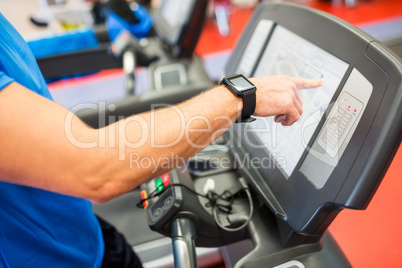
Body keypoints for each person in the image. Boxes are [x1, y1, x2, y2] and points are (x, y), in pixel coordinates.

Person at [0, 11, 323, 268]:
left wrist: (105, 33)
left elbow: (19, 59)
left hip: (78, 231)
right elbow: (93, 168)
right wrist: (240, 98)